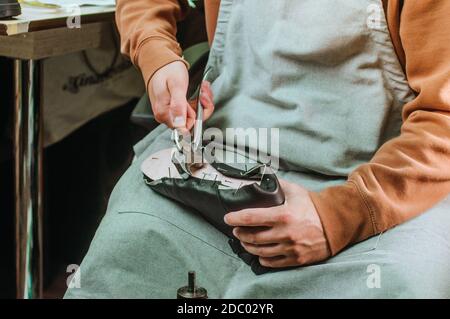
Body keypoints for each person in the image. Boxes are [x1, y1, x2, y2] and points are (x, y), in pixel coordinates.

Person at [65, 0, 450, 298]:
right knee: (129, 245)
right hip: (222, 158)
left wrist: (338, 216)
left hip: (377, 184)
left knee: (395, 283)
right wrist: (157, 54)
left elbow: (442, 120)